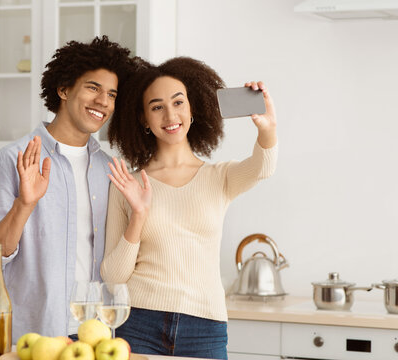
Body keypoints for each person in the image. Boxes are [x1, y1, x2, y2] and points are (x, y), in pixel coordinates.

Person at [100, 57, 278, 359]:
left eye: (178, 102)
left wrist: (267, 128)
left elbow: (263, 167)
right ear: (143, 118)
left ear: (192, 108)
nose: (170, 114)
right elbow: (114, 276)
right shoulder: (127, 185)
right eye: (156, 107)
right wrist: (139, 215)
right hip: (139, 323)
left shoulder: (219, 177)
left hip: (205, 326)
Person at [0, 36, 138, 342]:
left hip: (94, 335)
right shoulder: (14, 160)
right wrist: (24, 204)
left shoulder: (110, 170)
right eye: (93, 88)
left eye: (112, 94)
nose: (103, 101)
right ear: (63, 90)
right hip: (34, 335)